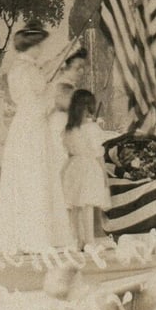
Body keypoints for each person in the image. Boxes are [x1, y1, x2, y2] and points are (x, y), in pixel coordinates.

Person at [0, 21, 76, 252]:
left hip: (24, 126)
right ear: (33, 46)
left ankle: (26, 237)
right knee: (34, 180)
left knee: (28, 180)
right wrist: (54, 89)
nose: (42, 50)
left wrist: (62, 54)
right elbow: (40, 99)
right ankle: (34, 238)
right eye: (40, 46)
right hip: (32, 127)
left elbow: (46, 70)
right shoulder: (27, 70)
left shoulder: (20, 67)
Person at [61, 89, 112, 249]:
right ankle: (89, 240)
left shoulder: (68, 129)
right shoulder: (92, 128)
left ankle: (77, 240)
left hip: (72, 167)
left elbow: (69, 152)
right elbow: (98, 154)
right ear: (87, 107)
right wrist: (104, 176)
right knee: (87, 205)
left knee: (75, 206)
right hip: (89, 167)